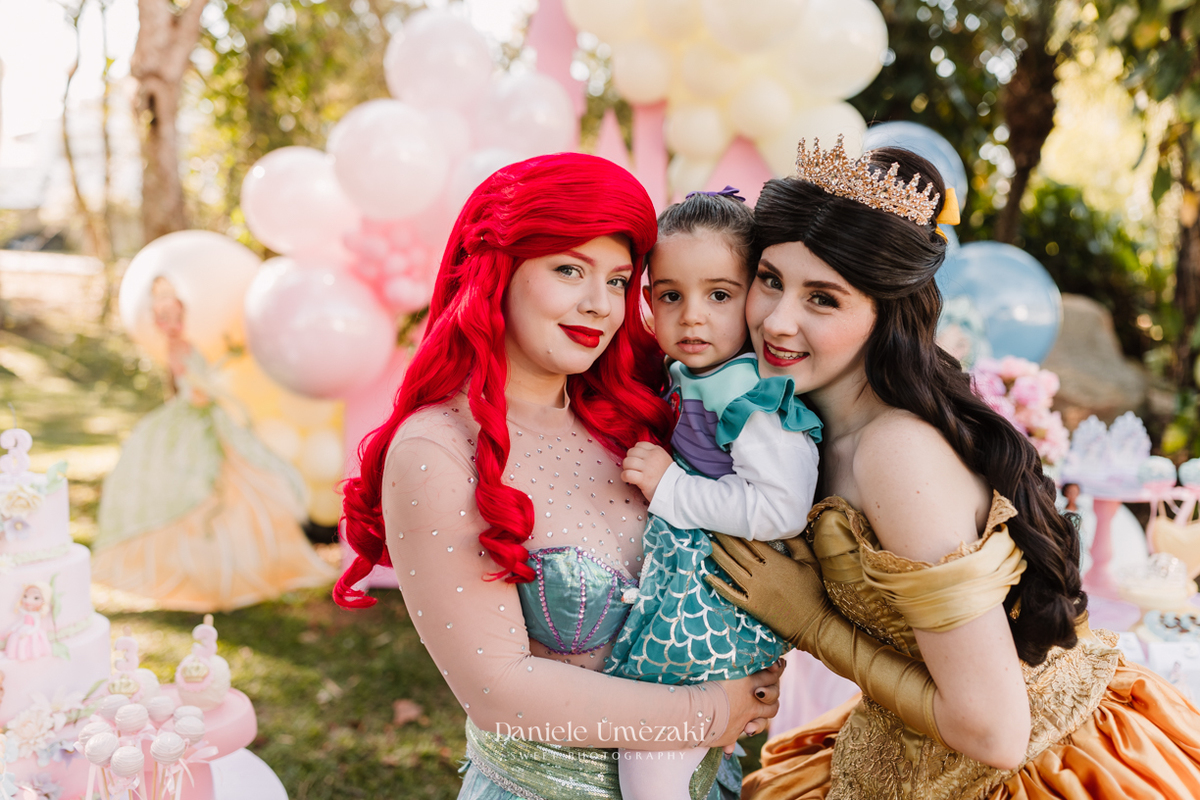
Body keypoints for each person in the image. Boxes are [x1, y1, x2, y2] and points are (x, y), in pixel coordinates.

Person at [705, 137, 1200, 798]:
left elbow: (996, 733)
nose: (777, 320)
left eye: (823, 298)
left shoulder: (895, 451)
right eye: (770, 280)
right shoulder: (813, 426)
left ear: (884, 314)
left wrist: (814, 625)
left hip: (1033, 767)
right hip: (905, 751)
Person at [334, 153, 781, 800]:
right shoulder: (436, 450)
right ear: (499, 271)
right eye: (569, 269)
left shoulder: (634, 414)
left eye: (619, 280)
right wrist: (716, 711)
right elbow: (499, 692)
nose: (598, 306)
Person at [608, 188, 822, 800]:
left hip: (726, 593)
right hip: (695, 580)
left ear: (756, 295)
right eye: (670, 296)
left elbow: (781, 510)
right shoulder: (697, 373)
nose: (692, 316)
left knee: (652, 752)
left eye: (719, 295)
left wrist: (674, 488)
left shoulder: (749, 397)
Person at [93, 276, 336, 611]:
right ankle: (204, 570)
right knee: (200, 484)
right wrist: (217, 394)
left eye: (175, 315)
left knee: (241, 478)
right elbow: (193, 387)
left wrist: (221, 372)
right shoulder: (178, 348)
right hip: (196, 418)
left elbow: (199, 380)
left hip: (206, 415)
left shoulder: (188, 345)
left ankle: (239, 564)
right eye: (164, 317)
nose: (171, 323)